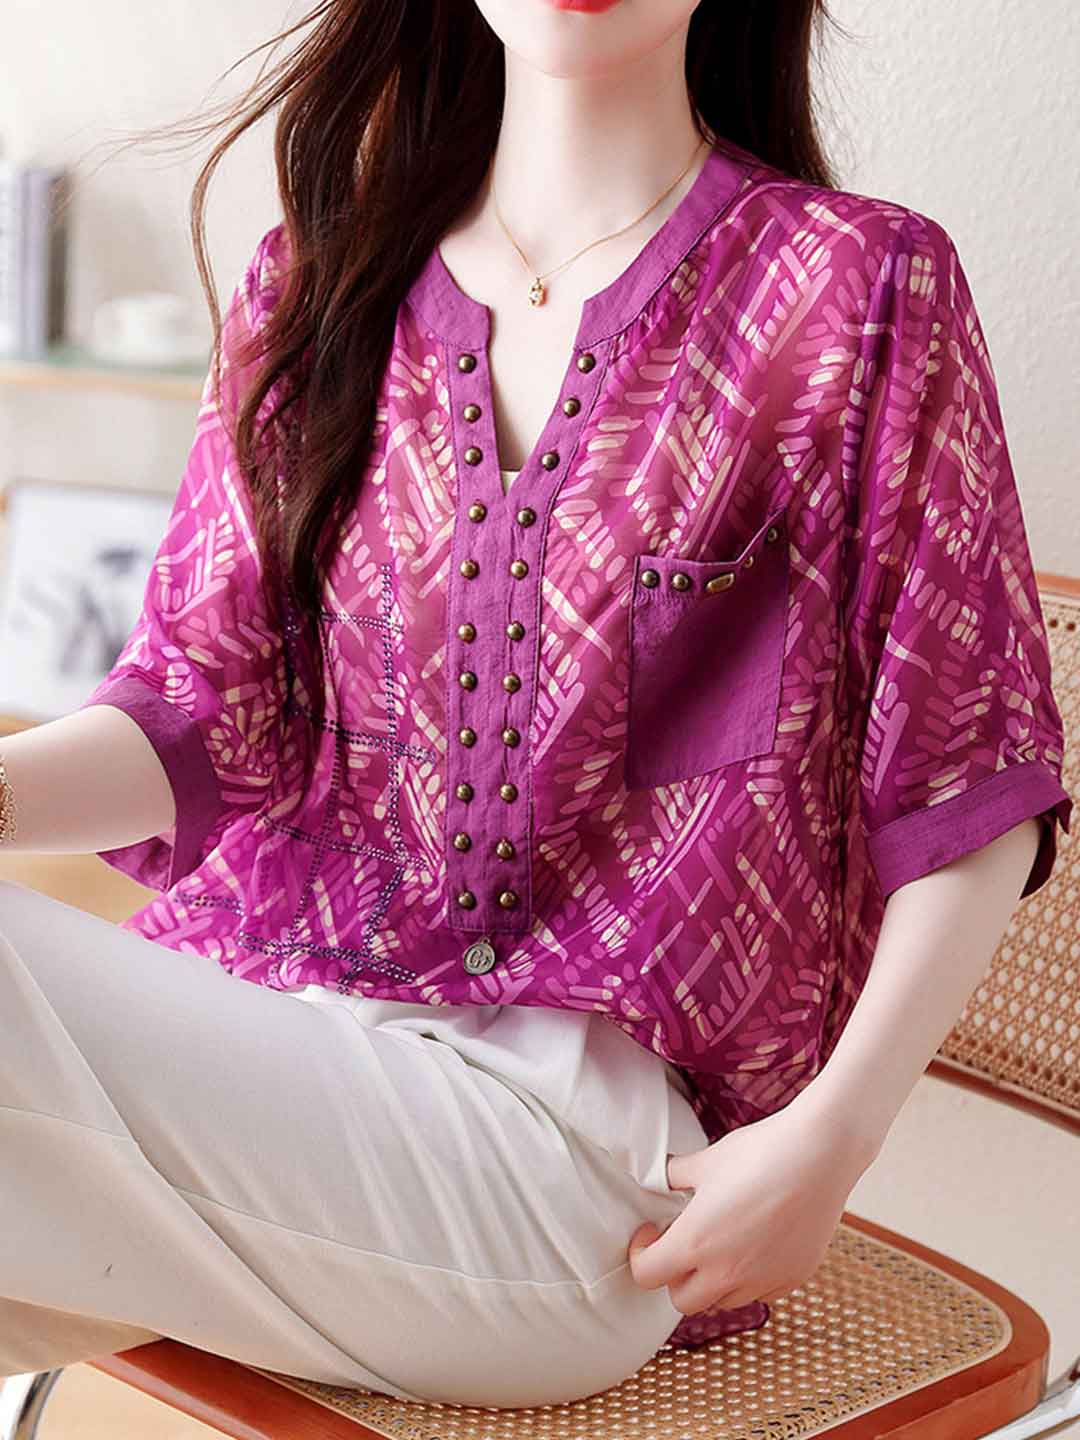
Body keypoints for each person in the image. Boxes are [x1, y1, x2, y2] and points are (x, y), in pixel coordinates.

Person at [0, 0, 1072, 1411]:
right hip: (256, 1047)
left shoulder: (853, 290)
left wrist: (833, 1140)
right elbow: (200, 714)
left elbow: (966, 777)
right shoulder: (317, 285)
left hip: (576, 1170)